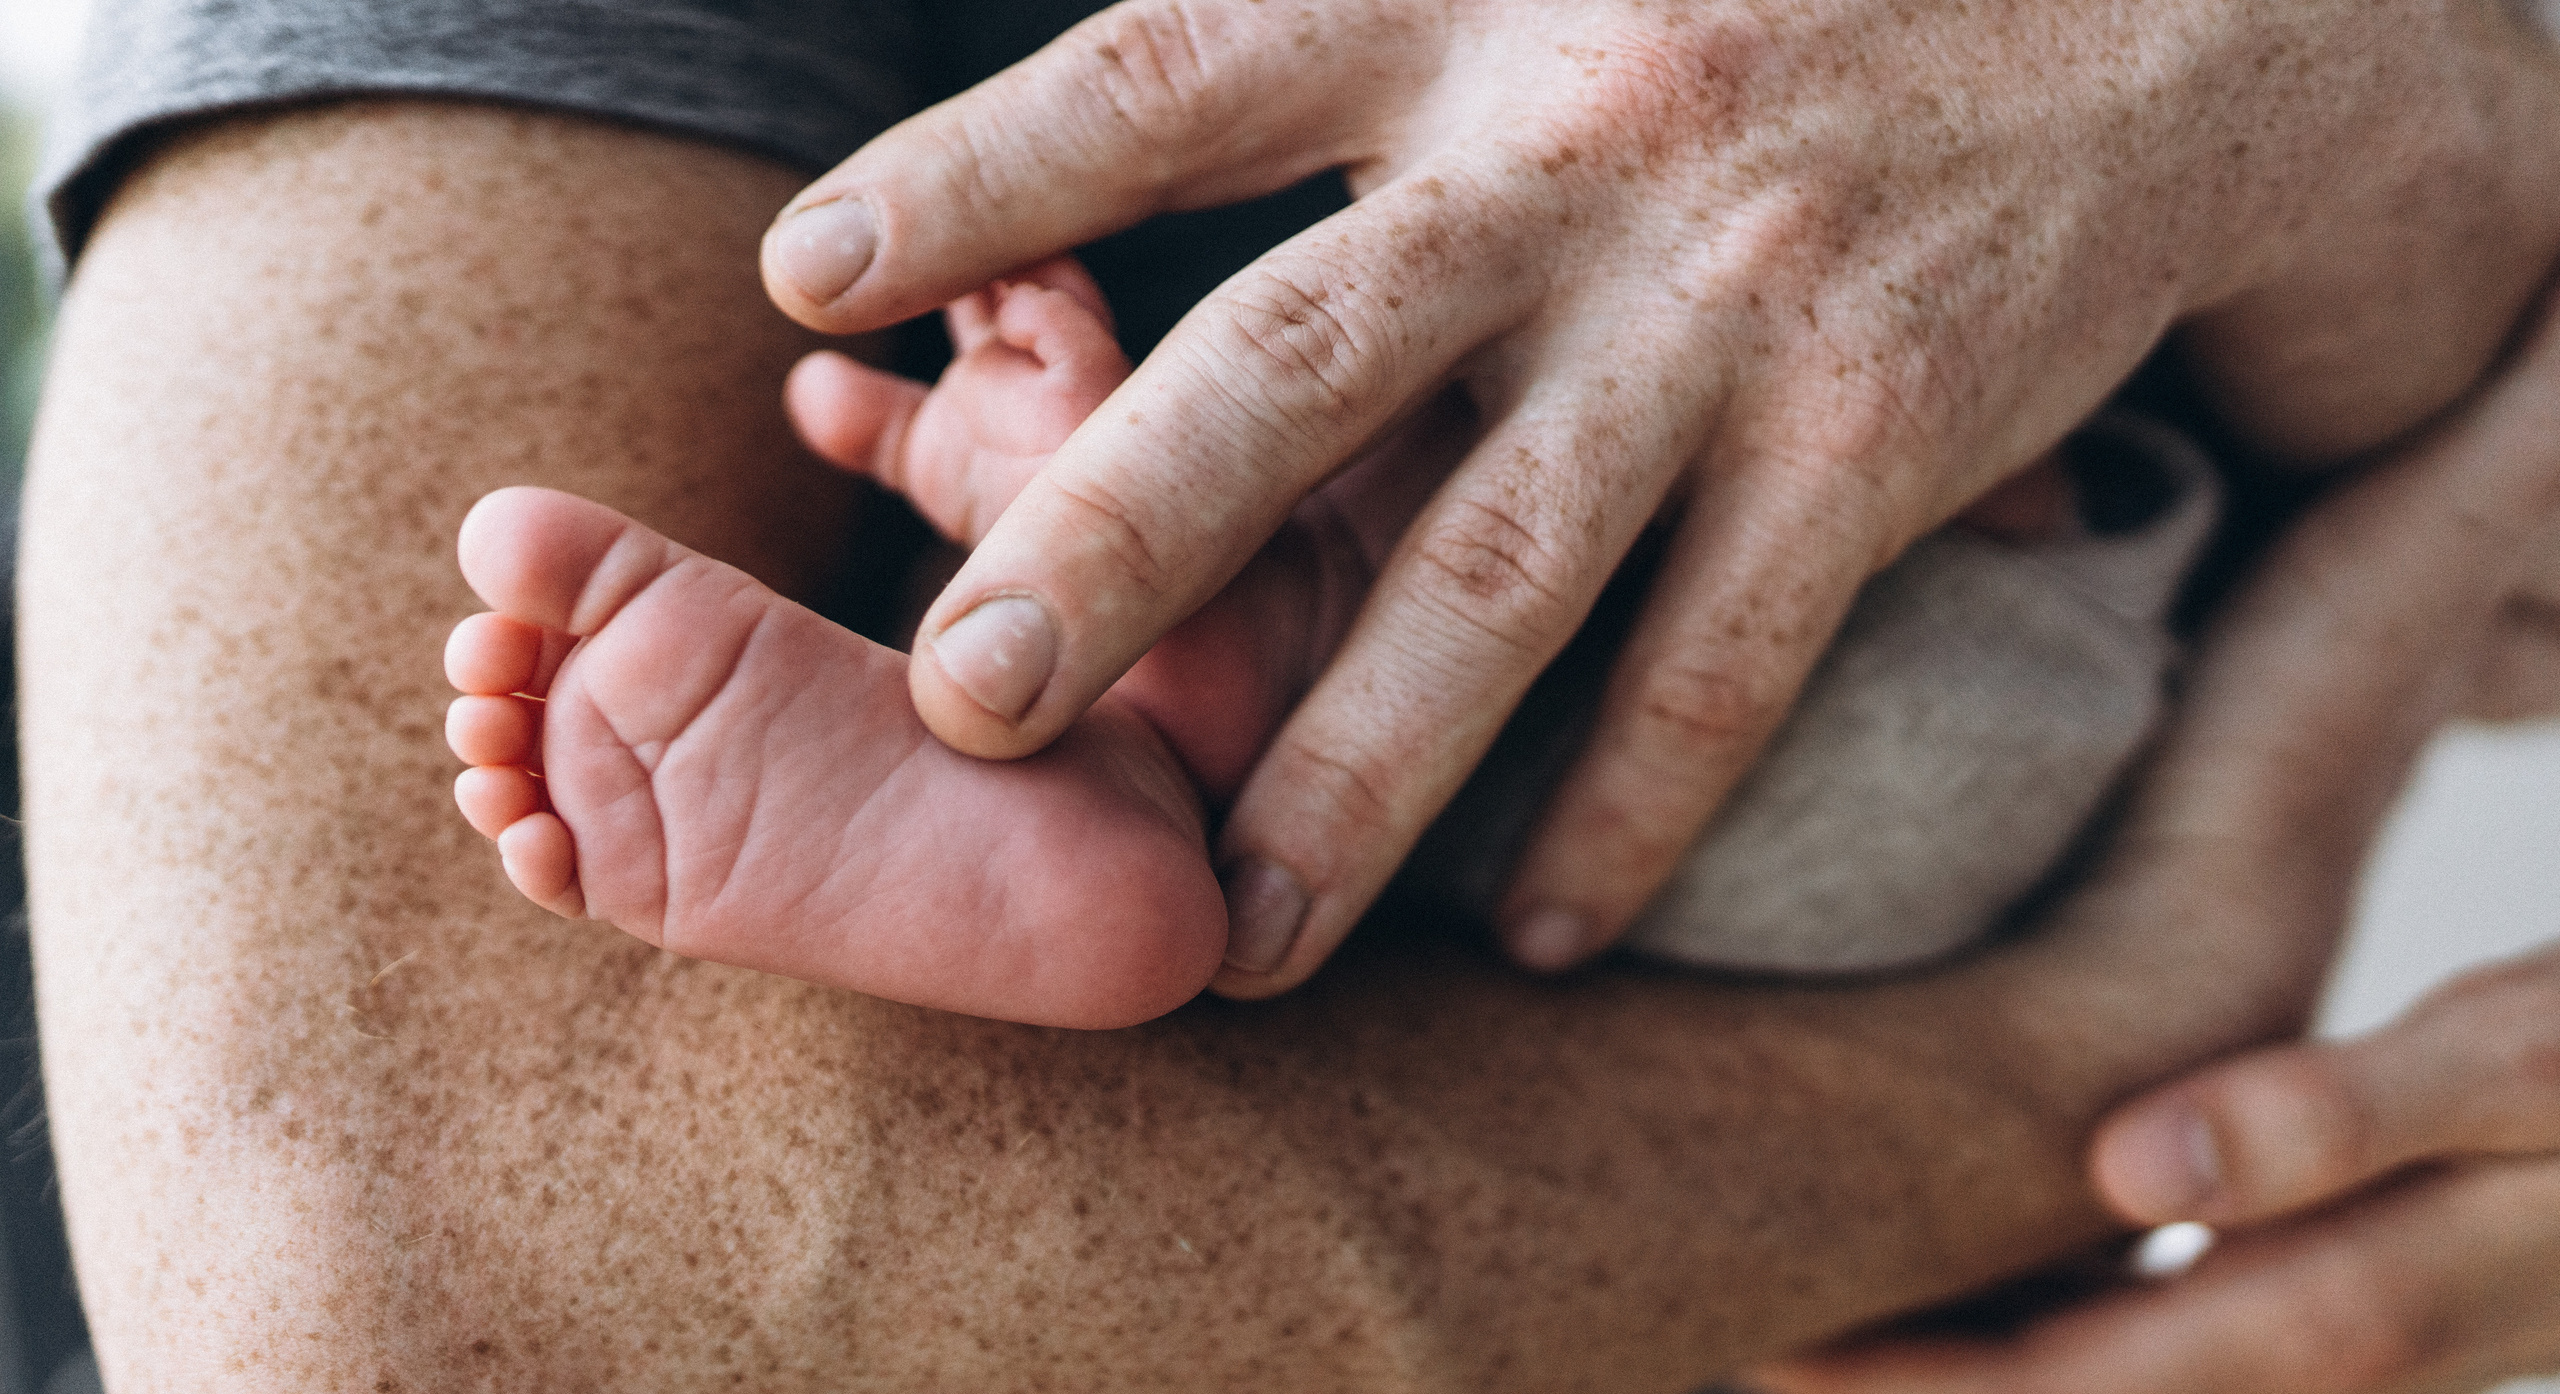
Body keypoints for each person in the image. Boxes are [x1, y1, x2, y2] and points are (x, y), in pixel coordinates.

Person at [18, 1, 2560, 1394]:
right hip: (1944, 719)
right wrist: (2078, 1075)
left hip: (1869, 693)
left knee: (1314, 514)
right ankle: (1095, 647)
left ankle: (1088, 672)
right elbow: (391, 1387)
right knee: (1310, 506)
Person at [440, 253, 2217, 1022]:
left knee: (1505, 394)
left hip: (1903, 623)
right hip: (1985, 711)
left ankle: (1156, 640)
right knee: (1555, 402)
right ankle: (1148, 646)